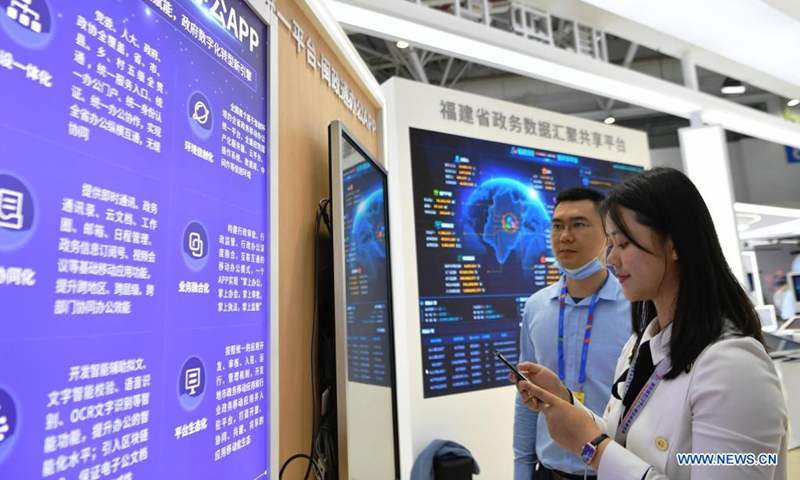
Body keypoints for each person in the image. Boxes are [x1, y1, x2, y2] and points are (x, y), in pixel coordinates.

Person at [512, 168, 788, 480]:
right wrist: (566, 403)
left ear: (676, 244)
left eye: (623, 244)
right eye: (610, 245)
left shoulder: (734, 365)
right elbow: (626, 439)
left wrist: (592, 448)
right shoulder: (642, 344)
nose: (611, 259)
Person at [514, 188, 631, 480]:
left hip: (614, 471)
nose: (565, 236)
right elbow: (526, 397)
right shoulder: (536, 307)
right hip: (549, 472)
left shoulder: (636, 307)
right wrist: (522, 470)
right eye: (557, 226)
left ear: (608, 235)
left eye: (579, 224)